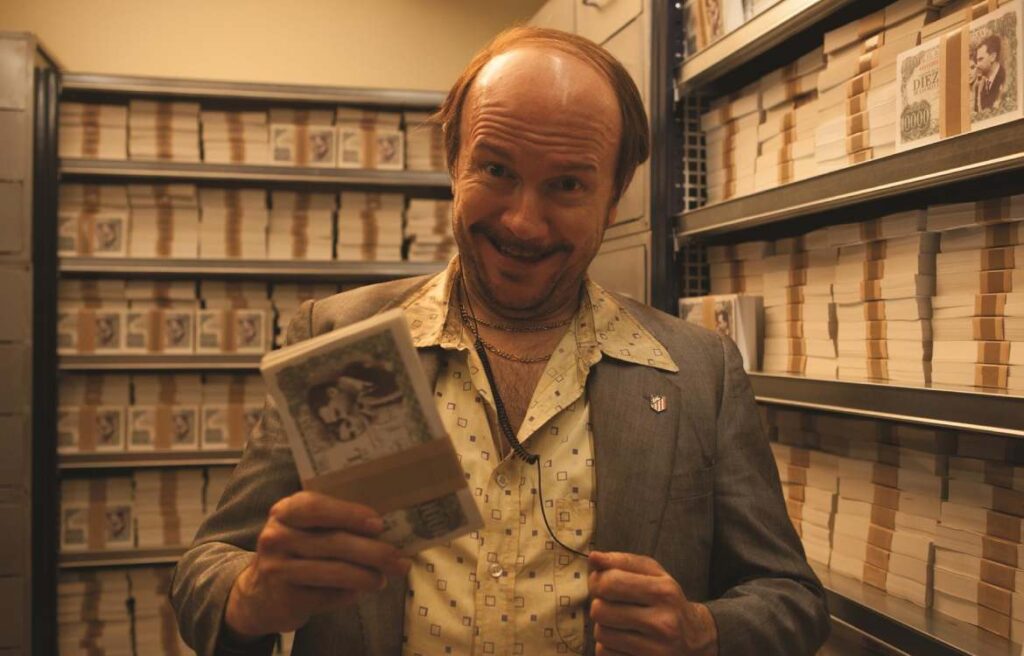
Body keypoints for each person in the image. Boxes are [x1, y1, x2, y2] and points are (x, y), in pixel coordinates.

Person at [172, 27, 829, 656]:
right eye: (496, 169)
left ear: (614, 196)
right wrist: (252, 593)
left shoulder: (699, 372)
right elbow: (204, 567)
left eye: (567, 184)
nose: (523, 222)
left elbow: (792, 600)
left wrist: (702, 631)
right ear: (453, 163)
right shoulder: (338, 341)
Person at [973, 34, 1006, 113]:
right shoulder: (979, 86)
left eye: (981, 59)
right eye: (977, 61)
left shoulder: (1005, 78)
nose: (977, 65)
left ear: (992, 57)